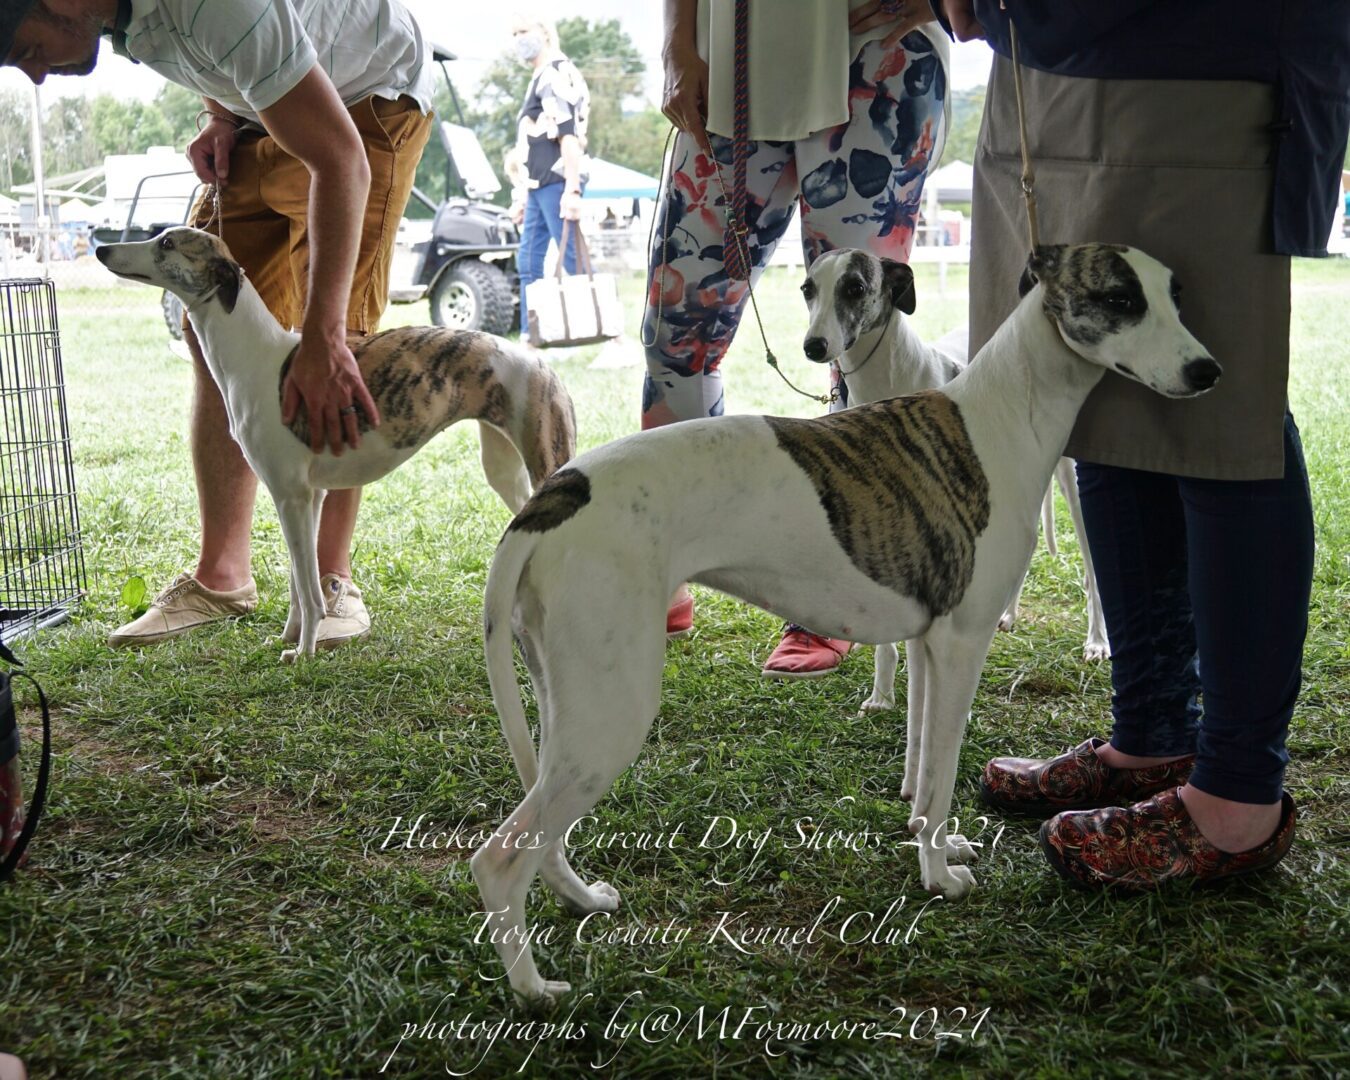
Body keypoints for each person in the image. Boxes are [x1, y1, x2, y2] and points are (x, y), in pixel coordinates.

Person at [932, 0, 1349, 888]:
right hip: (1045, 64)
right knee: (1098, 395)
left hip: (1206, 59)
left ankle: (1238, 797)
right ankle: (1151, 734)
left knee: (1220, 417)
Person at [0, 0, 434, 651]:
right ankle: (222, 578)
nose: (34, 75)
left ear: (59, 1)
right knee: (213, 322)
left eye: (27, 50)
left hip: (367, 96)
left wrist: (320, 340)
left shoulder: (213, 2)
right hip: (273, 100)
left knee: (343, 334)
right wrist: (220, 115)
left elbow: (342, 160)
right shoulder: (119, 23)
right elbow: (223, 58)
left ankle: (330, 579)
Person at [650, 0, 951, 677]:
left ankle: (838, 594)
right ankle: (667, 555)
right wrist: (676, 45)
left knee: (861, 350)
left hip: (880, 59)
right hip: (727, 62)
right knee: (676, 338)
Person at [511, 14, 589, 338]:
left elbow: (568, 134)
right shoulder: (540, 76)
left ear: (543, 33)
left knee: (572, 257)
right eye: (514, 33)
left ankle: (614, 336)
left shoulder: (555, 72)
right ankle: (531, 336)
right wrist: (524, 195)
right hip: (538, 185)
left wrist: (572, 190)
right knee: (528, 260)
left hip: (557, 181)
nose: (518, 38)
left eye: (523, 30)